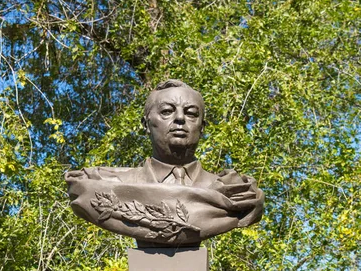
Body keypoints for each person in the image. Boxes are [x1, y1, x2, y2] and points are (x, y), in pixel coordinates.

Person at [65, 80, 264, 246]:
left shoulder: (238, 192)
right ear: (146, 125)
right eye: (167, 111)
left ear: (202, 127)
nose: (179, 119)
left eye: (191, 113)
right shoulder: (104, 185)